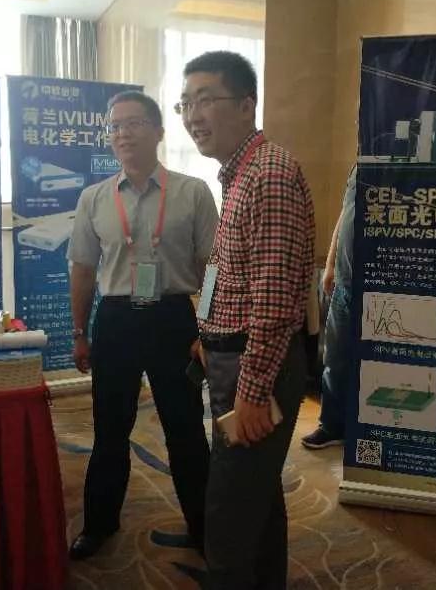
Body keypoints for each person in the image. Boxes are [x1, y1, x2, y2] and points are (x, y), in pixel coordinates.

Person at [179, 51, 315, 589]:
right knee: (256, 497)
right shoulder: (237, 174)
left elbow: (275, 301)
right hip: (232, 359)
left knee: (230, 513)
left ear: (245, 105)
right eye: (185, 103)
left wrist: (254, 393)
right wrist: (205, 330)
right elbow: (228, 269)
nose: (193, 116)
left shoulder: (269, 174)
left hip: (256, 368)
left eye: (205, 100)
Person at [67, 90, 218, 560]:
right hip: (115, 321)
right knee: (110, 429)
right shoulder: (94, 198)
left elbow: (213, 268)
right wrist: (79, 332)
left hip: (173, 319)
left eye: (133, 123)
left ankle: (205, 526)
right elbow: (82, 269)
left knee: (185, 427)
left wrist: (208, 329)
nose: (123, 134)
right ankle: (99, 524)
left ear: (158, 131)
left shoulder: (192, 192)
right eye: (114, 126)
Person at [301, 165, 356, 449]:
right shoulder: (359, 165)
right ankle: (332, 425)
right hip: (345, 283)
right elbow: (345, 214)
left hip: (382, 285)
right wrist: (331, 263)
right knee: (335, 358)